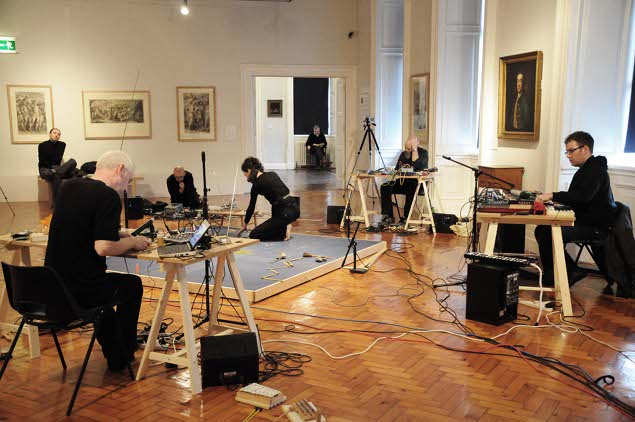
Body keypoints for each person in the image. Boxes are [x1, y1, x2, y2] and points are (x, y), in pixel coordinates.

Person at [44, 151, 151, 371]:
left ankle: (118, 352)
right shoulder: (108, 196)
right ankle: (123, 353)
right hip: (83, 290)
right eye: (128, 180)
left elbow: (84, 225)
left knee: (108, 297)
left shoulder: (68, 187)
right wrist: (133, 243)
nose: (125, 187)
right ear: (120, 169)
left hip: (54, 287)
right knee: (132, 285)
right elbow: (103, 247)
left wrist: (124, 234)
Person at [535, 131, 617, 286]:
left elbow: (582, 197)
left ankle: (569, 272)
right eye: (567, 151)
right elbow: (579, 198)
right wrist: (559, 203)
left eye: (571, 151)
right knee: (543, 230)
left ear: (584, 149)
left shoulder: (595, 170)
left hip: (594, 227)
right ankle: (558, 273)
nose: (568, 155)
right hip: (585, 222)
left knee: (546, 232)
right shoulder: (587, 169)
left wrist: (553, 195)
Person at [237, 157, 300, 241]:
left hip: (284, 213)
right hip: (295, 208)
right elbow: (284, 191)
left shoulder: (256, 185)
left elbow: (251, 207)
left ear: (248, 170)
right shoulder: (272, 174)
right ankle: (284, 226)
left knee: (254, 234)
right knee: (275, 207)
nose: (246, 177)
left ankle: (285, 226)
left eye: (245, 174)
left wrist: (245, 225)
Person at [380, 135, 429, 224]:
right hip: (403, 182)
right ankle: (388, 216)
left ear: (415, 146)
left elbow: (417, 167)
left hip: (417, 184)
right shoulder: (403, 154)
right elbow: (397, 168)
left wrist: (414, 151)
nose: (407, 150)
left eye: (409, 149)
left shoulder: (423, 153)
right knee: (385, 187)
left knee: (411, 186)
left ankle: (406, 217)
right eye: (406, 147)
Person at [38, 128, 79, 207]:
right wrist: (53, 169)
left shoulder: (62, 145)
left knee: (72, 162)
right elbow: (43, 161)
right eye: (54, 133)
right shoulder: (42, 145)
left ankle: (58, 204)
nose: (56, 135)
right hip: (45, 169)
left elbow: (58, 159)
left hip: (56, 169)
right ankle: (58, 204)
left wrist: (56, 170)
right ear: (49, 134)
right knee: (58, 174)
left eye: (59, 134)